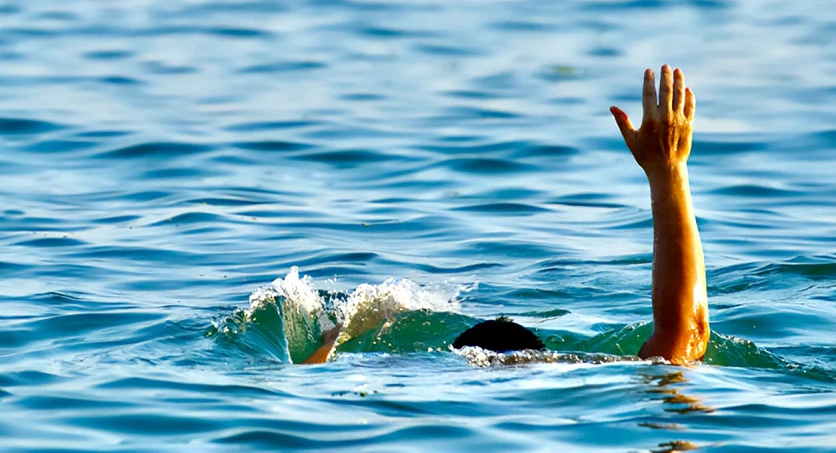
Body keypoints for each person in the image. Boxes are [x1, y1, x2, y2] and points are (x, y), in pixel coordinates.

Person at [304, 66, 709, 365]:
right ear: (542, 358)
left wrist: (331, 345)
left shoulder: (417, 376)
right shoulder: (574, 371)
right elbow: (686, 338)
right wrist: (668, 171)